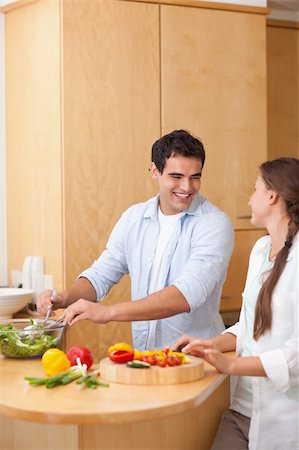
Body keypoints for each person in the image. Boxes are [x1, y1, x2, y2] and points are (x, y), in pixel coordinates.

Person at [37, 129, 234, 350]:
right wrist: (64, 299)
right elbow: (101, 274)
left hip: (197, 360)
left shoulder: (214, 224)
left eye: (195, 177)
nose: (187, 187)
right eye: (176, 177)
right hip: (147, 359)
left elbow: (186, 295)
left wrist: (109, 312)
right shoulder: (134, 218)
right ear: (154, 171)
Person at [172, 157, 299, 450]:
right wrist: (212, 344)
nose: (250, 198)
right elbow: (252, 323)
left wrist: (231, 365)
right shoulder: (260, 250)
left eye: (255, 190)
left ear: (272, 196)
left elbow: (295, 357)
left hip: (284, 420)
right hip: (242, 410)